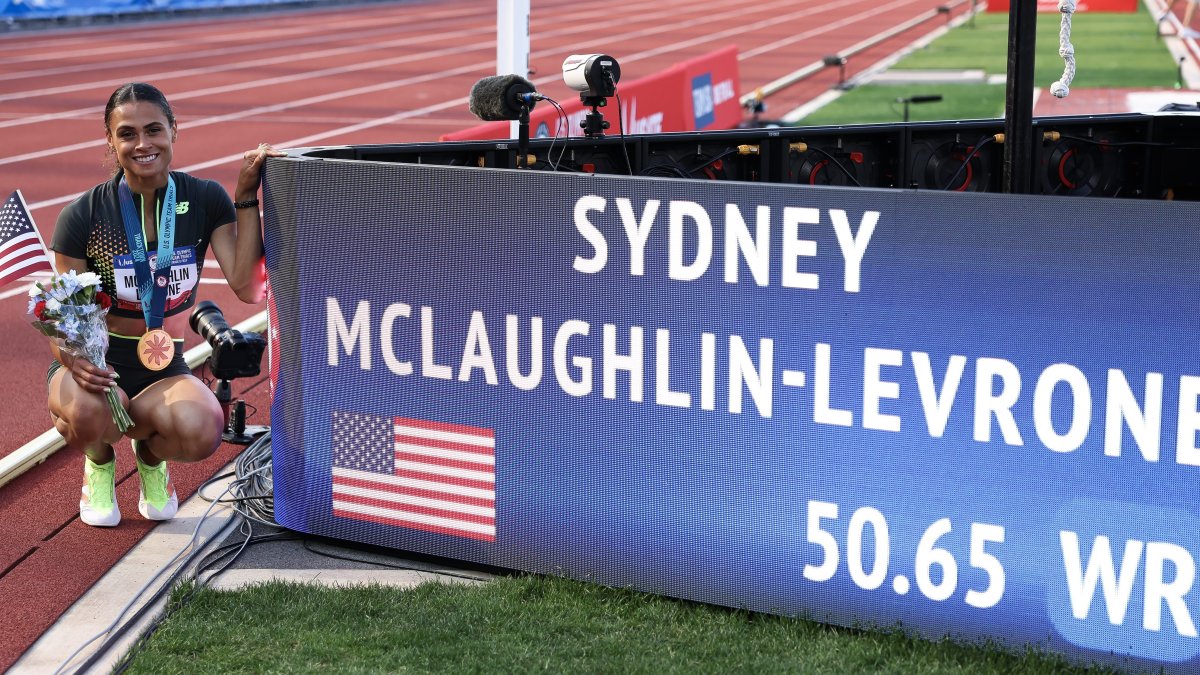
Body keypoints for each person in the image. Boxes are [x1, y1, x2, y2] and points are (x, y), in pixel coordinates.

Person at [46, 82, 286, 527]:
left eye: (153, 129)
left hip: (163, 365)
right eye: (127, 134)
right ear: (111, 141)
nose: (143, 144)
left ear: (174, 130)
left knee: (204, 427)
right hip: (98, 367)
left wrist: (245, 196)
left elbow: (248, 287)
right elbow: (63, 320)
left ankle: (150, 459)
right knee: (88, 412)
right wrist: (72, 361)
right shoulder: (84, 215)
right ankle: (99, 462)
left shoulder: (204, 199)